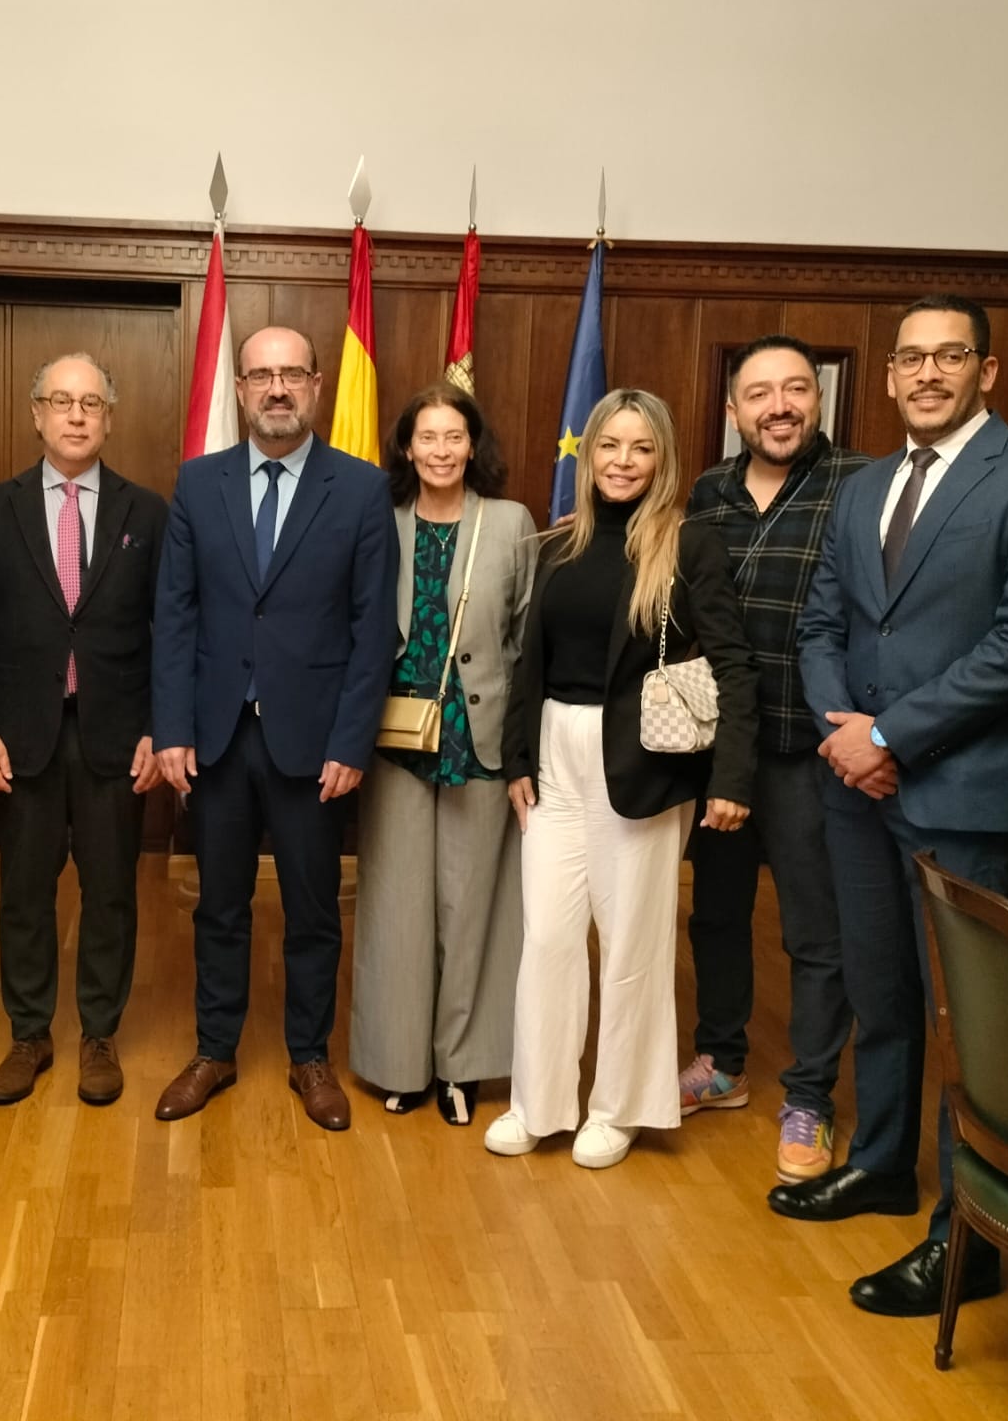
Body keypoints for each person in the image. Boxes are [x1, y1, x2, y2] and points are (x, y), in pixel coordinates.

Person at [776, 294, 1008, 1319]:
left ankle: (970, 1232)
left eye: (947, 357)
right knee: (881, 995)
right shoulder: (861, 486)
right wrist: (843, 730)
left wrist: (888, 736)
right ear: (884, 377)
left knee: (970, 1024)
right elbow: (820, 620)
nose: (924, 374)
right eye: (908, 359)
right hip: (854, 790)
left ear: (985, 373)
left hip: (962, 796)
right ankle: (876, 1163)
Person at [488, 389, 758, 1170]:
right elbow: (524, 665)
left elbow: (733, 668)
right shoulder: (555, 546)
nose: (623, 462)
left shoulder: (690, 546)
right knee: (546, 939)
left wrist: (731, 779)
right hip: (553, 758)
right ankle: (540, 1104)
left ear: (663, 458)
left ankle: (618, 1108)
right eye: (610, 446)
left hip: (640, 763)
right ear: (588, 453)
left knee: (633, 945)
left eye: (641, 448)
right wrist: (516, 760)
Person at [149, 325, 398, 1132]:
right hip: (215, 739)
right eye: (262, 375)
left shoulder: (360, 490)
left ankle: (309, 1056)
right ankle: (214, 1051)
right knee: (218, 903)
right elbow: (175, 616)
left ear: (318, 386)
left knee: (313, 909)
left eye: (292, 373)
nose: (278, 388)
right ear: (241, 390)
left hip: (313, 743)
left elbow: (372, 632)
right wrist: (173, 728)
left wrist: (351, 742)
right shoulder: (198, 484)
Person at [0, 353, 168, 1109]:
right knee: (24, 893)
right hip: (22, 739)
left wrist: (158, 730)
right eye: (60, 402)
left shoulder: (148, 514)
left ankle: (99, 1034)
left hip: (117, 739)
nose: (76, 416)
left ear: (110, 418)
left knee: (111, 893)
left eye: (90, 404)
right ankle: (30, 1032)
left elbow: (168, 632)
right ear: (36, 414)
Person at [680, 336, 869, 1184]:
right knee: (715, 914)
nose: (779, 406)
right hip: (721, 747)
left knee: (812, 932)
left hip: (808, 747)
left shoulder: (858, 487)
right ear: (734, 410)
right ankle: (719, 1062)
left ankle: (810, 1094)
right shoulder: (708, 492)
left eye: (796, 389)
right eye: (760, 393)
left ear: (818, 399)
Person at [350, 383, 536, 1127]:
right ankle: (401, 1064)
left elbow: (527, 642)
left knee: (473, 913)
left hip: (480, 745)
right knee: (396, 909)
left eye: (453, 437)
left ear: (473, 445)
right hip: (393, 742)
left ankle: (462, 1066)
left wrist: (525, 751)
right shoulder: (379, 520)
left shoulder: (512, 522)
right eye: (426, 437)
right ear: (405, 447)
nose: (439, 451)